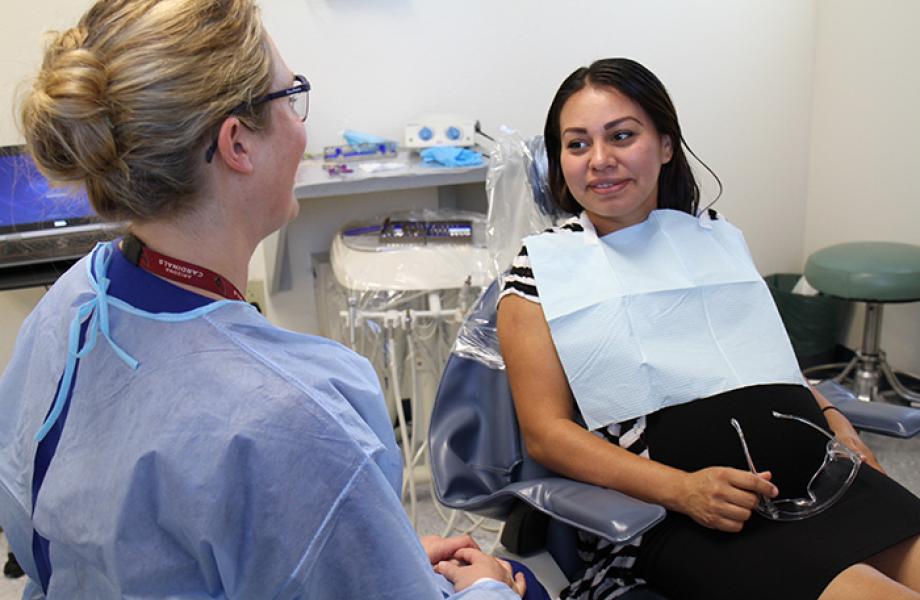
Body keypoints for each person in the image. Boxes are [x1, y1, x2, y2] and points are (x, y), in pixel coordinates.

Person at [0, 0, 545, 598]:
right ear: (237, 143)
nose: (299, 122)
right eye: (291, 96)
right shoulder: (295, 423)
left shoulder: (73, 299)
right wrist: (492, 587)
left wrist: (366, 544)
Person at [497, 57, 920, 600]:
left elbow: (768, 363)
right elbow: (546, 434)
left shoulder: (714, 242)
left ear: (666, 145)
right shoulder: (541, 271)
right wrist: (683, 489)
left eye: (621, 136)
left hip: (825, 479)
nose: (599, 160)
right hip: (687, 515)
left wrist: (836, 419)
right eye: (577, 145)